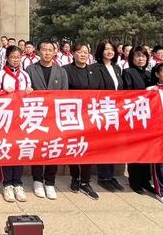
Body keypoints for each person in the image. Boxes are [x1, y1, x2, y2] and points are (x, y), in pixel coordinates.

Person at [26, 41, 68, 200]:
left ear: (55, 52)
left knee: (53, 147)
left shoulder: (61, 71)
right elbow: (25, 89)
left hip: (54, 116)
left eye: (50, 50)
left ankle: (50, 181)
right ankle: (37, 179)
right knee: (37, 147)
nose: (47, 53)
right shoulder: (30, 69)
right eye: (44, 50)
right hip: (36, 115)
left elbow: (65, 95)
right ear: (38, 51)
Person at [64, 43, 99, 200]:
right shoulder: (66, 70)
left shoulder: (94, 70)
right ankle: (74, 177)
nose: (83, 55)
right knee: (74, 147)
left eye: (85, 52)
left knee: (88, 148)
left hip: (90, 114)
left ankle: (85, 181)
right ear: (73, 53)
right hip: (72, 115)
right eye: (79, 52)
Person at [0, 45, 32, 203]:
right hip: (5, 118)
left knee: (20, 148)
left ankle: (18, 183)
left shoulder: (25, 75)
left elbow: (30, 96)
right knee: (7, 149)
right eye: (12, 57)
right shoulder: (0, 75)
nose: (15, 60)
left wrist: (29, 92)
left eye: (18, 57)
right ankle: (7, 184)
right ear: (7, 58)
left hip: (21, 118)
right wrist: (3, 92)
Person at [90, 40, 124, 192]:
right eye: (106, 49)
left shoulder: (117, 68)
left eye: (112, 49)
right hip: (103, 110)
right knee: (104, 144)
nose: (109, 52)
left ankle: (111, 176)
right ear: (100, 51)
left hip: (116, 111)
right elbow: (96, 90)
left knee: (112, 144)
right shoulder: (96, 68)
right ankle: (103, 177)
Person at [122, 46, 152, 194]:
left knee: (148, 150)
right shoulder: (128, 72)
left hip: (149, 118)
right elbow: (128, 93)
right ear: (132, 58)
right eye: (138, 56)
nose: (141, 59)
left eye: (144, 56)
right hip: (134, 116)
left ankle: (146, 181)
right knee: (135, 149)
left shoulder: (149, 73)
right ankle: (134, 181)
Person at [147, 63, 163, 202]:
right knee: (159, 161)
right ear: (157, 74)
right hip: (158, 131)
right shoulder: (151, 90)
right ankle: (160, 190)